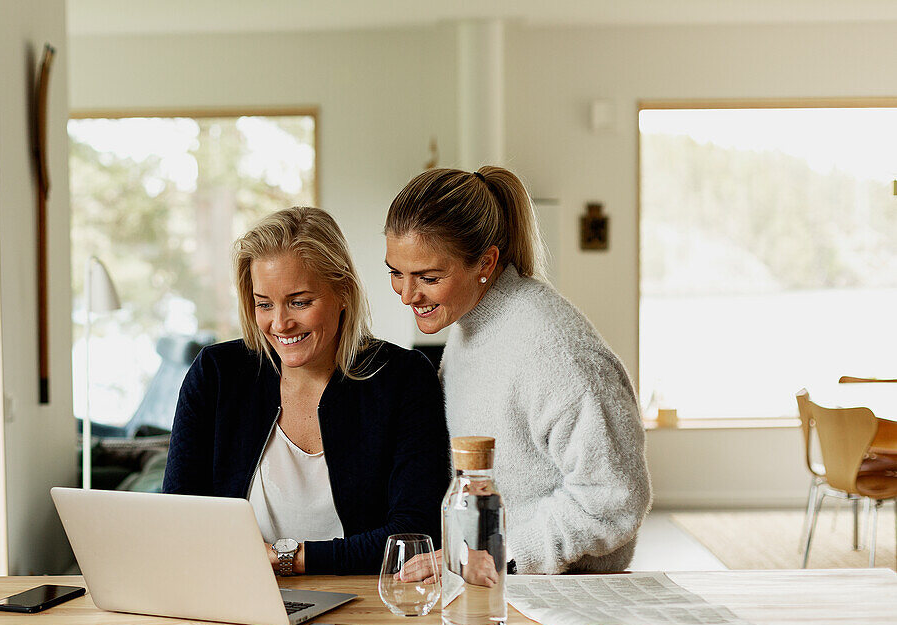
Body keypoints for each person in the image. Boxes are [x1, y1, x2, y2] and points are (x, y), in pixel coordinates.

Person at [386, 166, 651, 580]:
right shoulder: (471, 327)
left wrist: (493, 555)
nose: (406, 294)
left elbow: (613, 499)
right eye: (396, 273)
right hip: (493, 578)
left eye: (428, 277)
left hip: (566, 592)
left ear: (486, 262)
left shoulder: (553, 347)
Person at [162, 206, 450, 576]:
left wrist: (290, 559)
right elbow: (178, 516)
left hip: (366, 600)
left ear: (343, 291)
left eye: (300, 301)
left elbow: (413, 536)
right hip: (234, 593)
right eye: (264, 304)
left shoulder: (403, 379)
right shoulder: (217, 374)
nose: (280, 323)